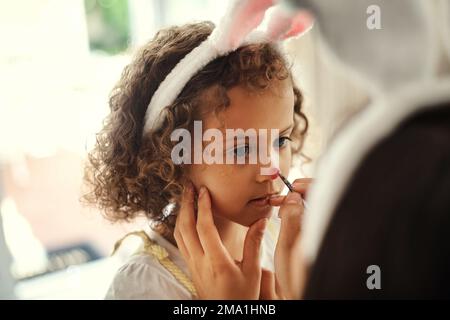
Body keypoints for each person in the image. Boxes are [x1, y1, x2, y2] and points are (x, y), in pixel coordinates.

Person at [83, 0, 314, 300]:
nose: (271, 168)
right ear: (170, 159)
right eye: (242, 150)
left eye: (280, 141)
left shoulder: (283, 239)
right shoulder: (144, 287)